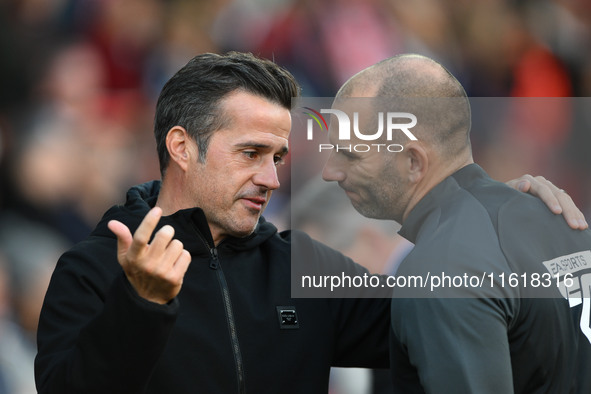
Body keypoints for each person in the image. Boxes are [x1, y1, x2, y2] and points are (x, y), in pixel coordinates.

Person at [35, 51, 585, 394]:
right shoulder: (90, 271)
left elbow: (450, 305)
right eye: (251, 153)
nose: (272, 180)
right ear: (182, 147)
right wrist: (141, 305)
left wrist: (490, 214)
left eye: (277, 158)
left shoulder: (304, 267)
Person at [321, 54, 591, 393]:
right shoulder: (559, 219)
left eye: (350, 154)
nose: (330, 171)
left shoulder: (440, 269)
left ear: (412, 162)